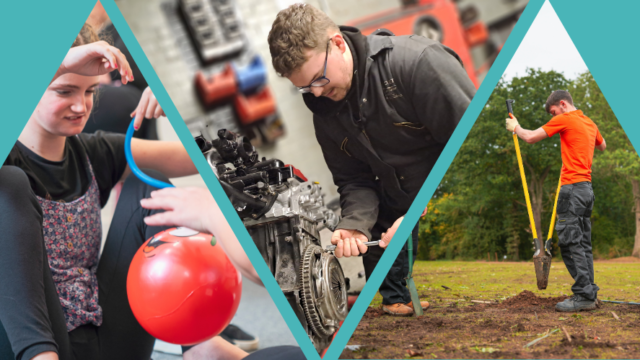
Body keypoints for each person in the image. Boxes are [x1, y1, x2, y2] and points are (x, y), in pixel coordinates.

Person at [0, 23, 267, 360]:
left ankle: (198, 342)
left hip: (106, 336)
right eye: (64, 90)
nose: (81, 106)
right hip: (33, 344)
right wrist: (59, 60)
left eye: (89, 91)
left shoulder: (93, 153)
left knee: (148, 181)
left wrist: (182, 105)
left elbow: (200, 156)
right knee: (8, 184)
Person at [267, 4, 474, 316]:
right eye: (304, 87)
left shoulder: (418, 65)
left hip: (442, 182)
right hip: (393, 193)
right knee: (378, 225)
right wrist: (354, 226)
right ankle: (396, 298)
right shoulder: (324, 111)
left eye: (318, 79)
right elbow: (355, 179)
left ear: (337, 44)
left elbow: (469, 142)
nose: (316, 93)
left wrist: (422, 205)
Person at [506, 90, 606, 312]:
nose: (553, 118)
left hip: (571, 189)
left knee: (570, 242)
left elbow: (530, 137)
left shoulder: (565, 119)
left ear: (562, 104)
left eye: (553, 112)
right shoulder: (589, 122)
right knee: (583, 244)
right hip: (587, 190)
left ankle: (583, 295)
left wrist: (516, 128)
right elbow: (602, 145)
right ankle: (590, 291)